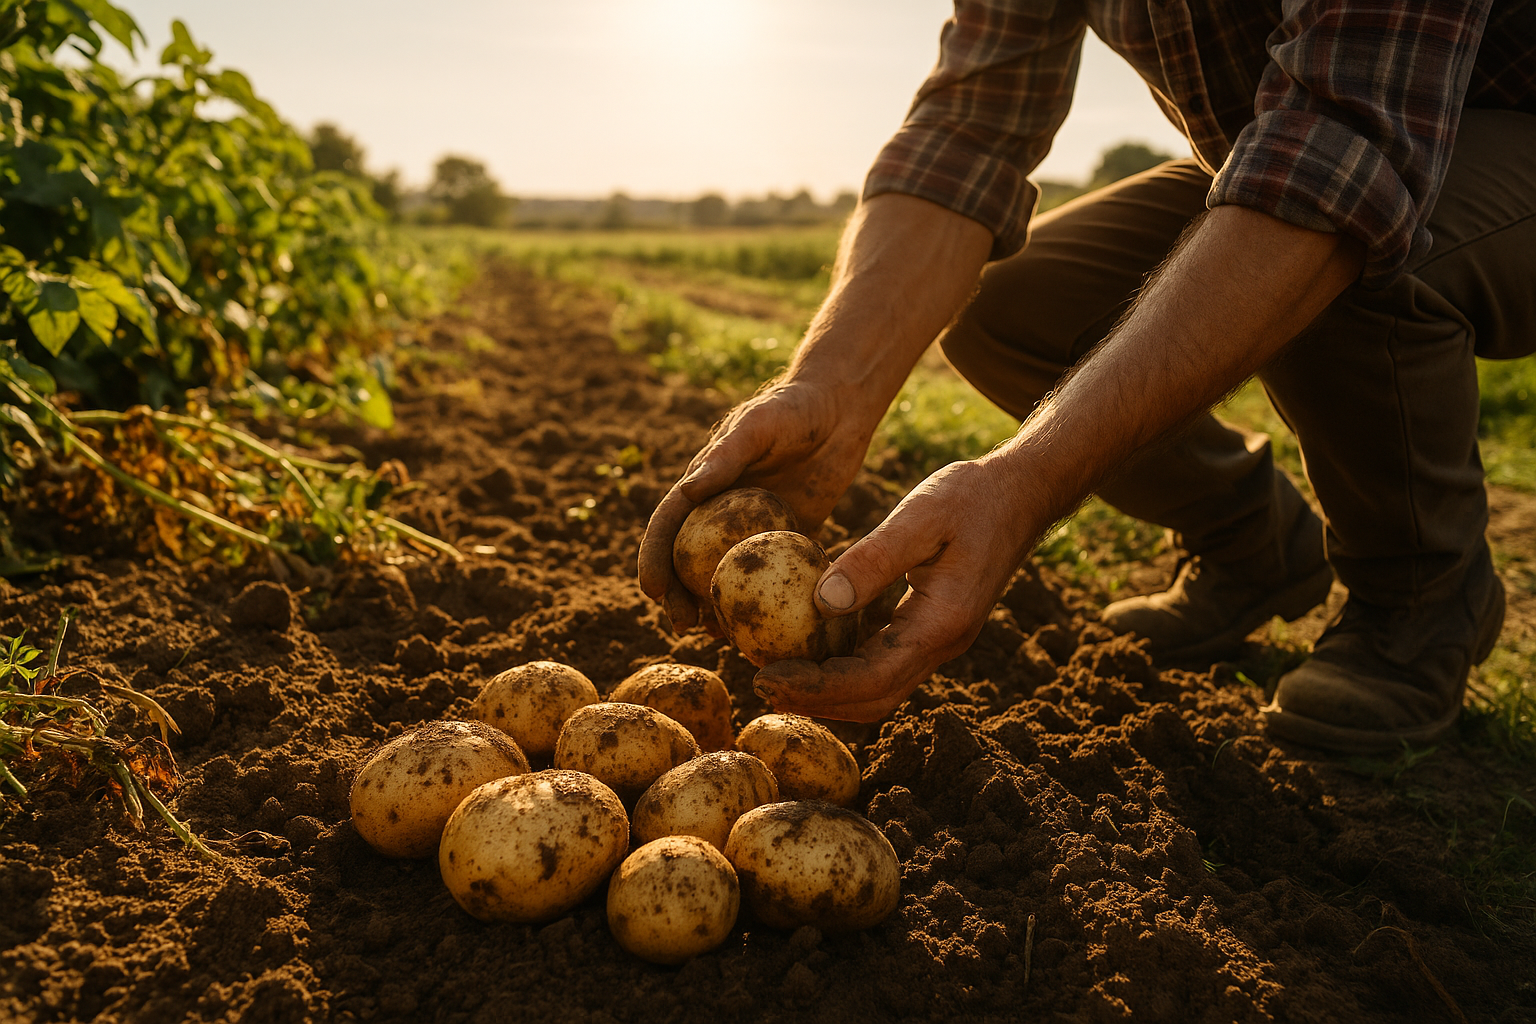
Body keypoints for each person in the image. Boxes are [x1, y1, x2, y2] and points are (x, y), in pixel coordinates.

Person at [638, 0, 1536, 754]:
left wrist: (1022, 486)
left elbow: (1345, 160)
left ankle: (1419, 599)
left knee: (1343, 258)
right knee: (1013, 309)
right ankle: (1254, 546)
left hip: (1449, 134)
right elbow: (967, 131)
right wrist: (830, 390)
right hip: (1282, 147)